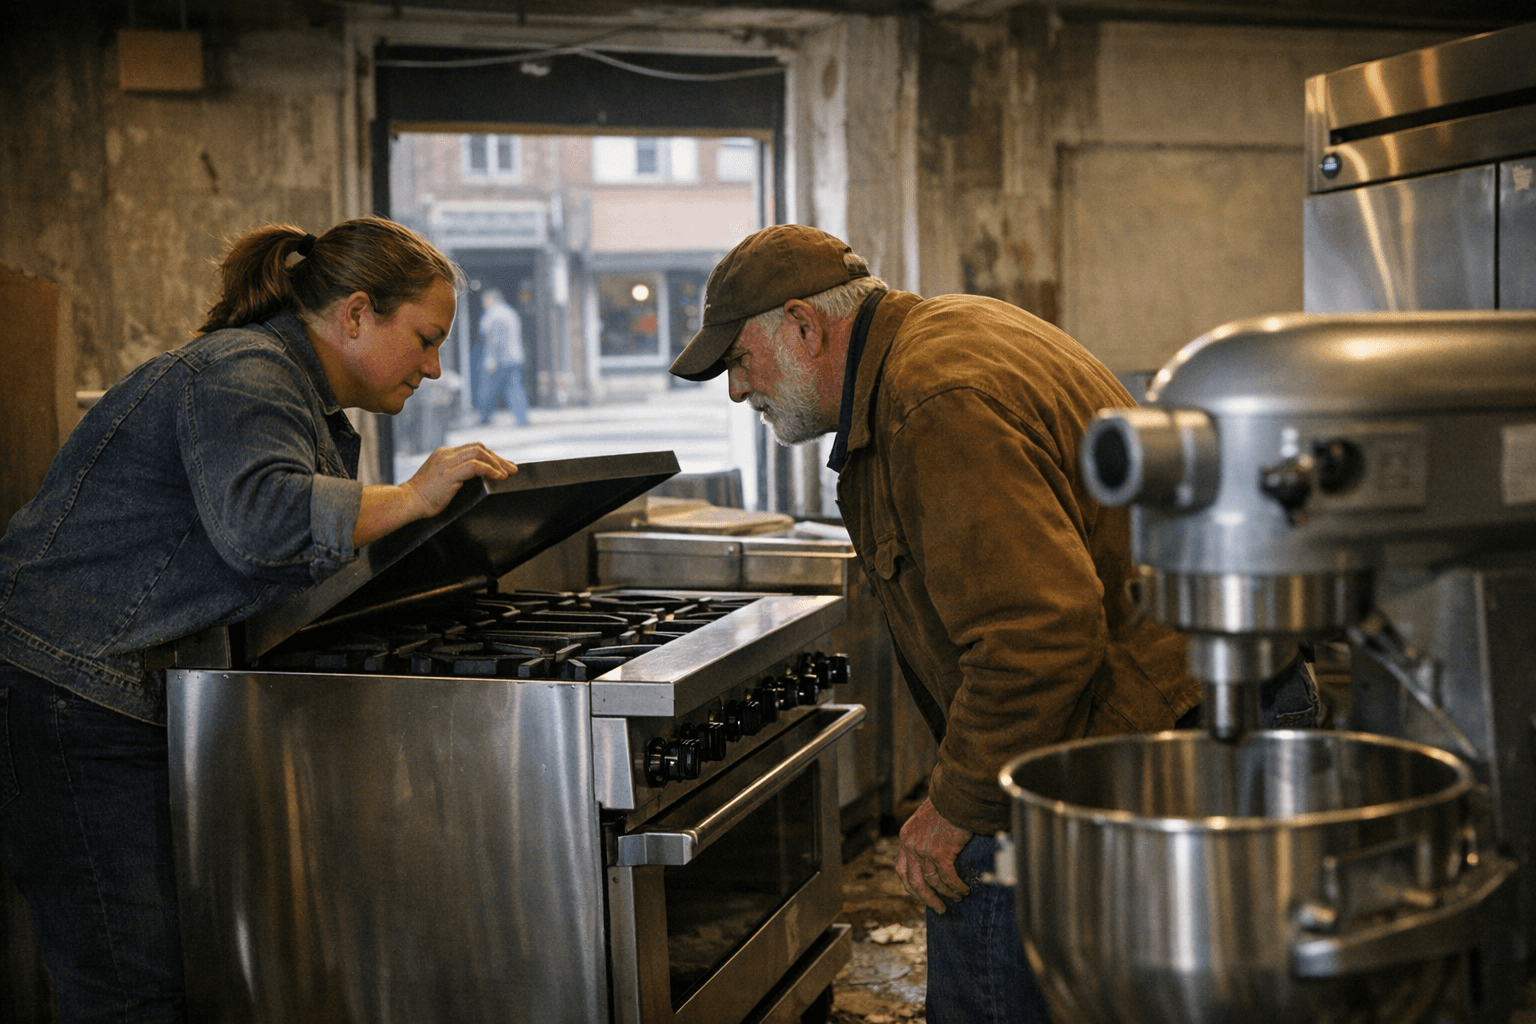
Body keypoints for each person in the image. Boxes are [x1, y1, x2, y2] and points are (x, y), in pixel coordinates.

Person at [669, 224, 1317, 1024]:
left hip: (1195, 718)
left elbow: (1037, 635)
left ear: (803, 326)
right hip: (1191, 696)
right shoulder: (936, 337)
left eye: (739, 361)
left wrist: (958, 805)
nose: (737, 391)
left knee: (968, 890)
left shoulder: (929, 399)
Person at [0, 216, 517, 1024]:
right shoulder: (245, 371)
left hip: (119, 692)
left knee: (165, 971)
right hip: (71, 694)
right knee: (128, 984)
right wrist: (415, 497)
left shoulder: (292, 388)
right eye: (423, 338)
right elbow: (265, 523)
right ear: (354, 314)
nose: (435, 367)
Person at [474, 286, 529, 426]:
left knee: (488, 389)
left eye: (485, 300)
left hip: (499, 358)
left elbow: (494, 338)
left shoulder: (493, 315)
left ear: (491, 300)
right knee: (514, 388)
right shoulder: (510, 312)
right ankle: (522, 418)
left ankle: (484, 418)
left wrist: (491, 358)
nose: (483, 303)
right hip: (514, 357)